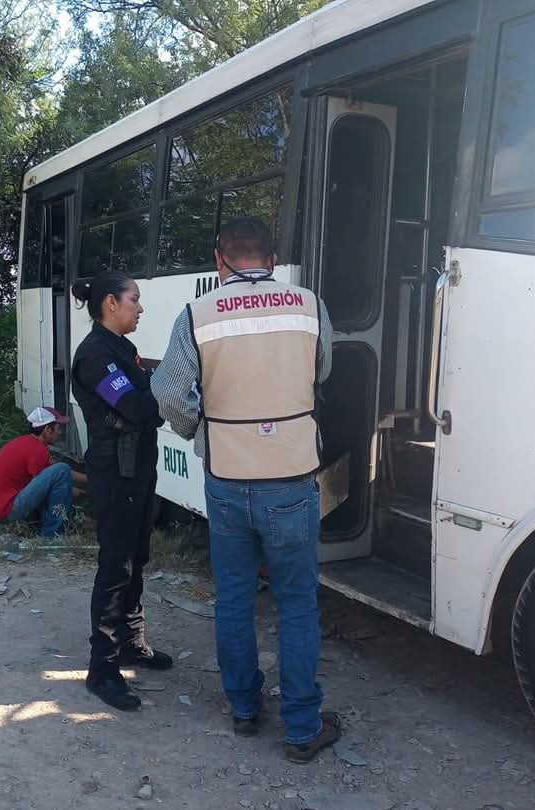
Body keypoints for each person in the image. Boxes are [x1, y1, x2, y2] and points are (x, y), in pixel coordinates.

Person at [151, 217, 340, 762]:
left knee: (233, 598)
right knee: (297, 605)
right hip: (292, 479)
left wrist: (200, 428)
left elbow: (166, 390)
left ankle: (244, 707)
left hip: (228, 482)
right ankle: (303, 727)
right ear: (272, 259)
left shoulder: (199, 313)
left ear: (220, 259)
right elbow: (322, 370)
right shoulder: (307, 305)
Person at [70, 271, 173, 711]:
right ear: (111, 303)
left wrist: (154, 382)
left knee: (137, 559)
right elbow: (138, 407)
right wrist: (166, 386)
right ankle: (103, 669)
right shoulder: (96, 355)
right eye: (134, 299)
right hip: (116, 473)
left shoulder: (121, 350)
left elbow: (143, 396)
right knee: (116, 566)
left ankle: (132, 643)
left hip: (138, 471)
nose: (140, 307)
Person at [0, 405, 87, 537]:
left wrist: (90, 478)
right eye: (58, 429)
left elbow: (50, 472)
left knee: (61, 469)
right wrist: (70, 490)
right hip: (7, 509)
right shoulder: (37, 450)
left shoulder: (27, 443)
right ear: (48, 430)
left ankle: (40, 526)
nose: (60, 433)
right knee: (62, 469)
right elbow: (51, 484)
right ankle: (52, 534)